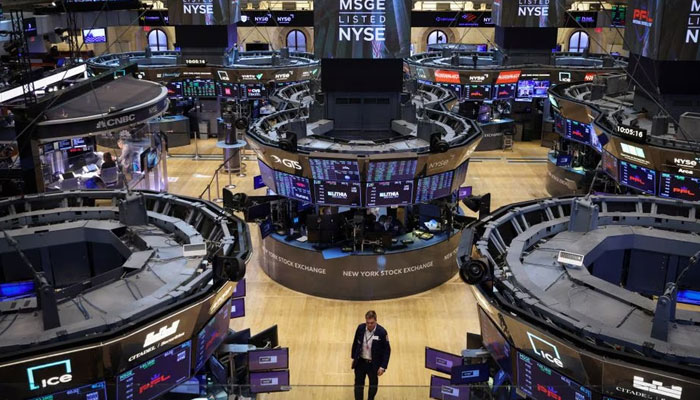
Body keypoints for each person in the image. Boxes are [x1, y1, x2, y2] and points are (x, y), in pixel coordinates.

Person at [351, 310, 391, 400]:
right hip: (361, 362)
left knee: (373, 386)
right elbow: (355, 343)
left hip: (373, 364)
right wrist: (354, 358)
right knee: (358, 385)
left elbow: (387, 350)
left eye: (372, 323)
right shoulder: (360, 328)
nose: (369, 325)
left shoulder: (382, 332)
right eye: (367, 323)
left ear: (376, 321)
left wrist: (383, 366)